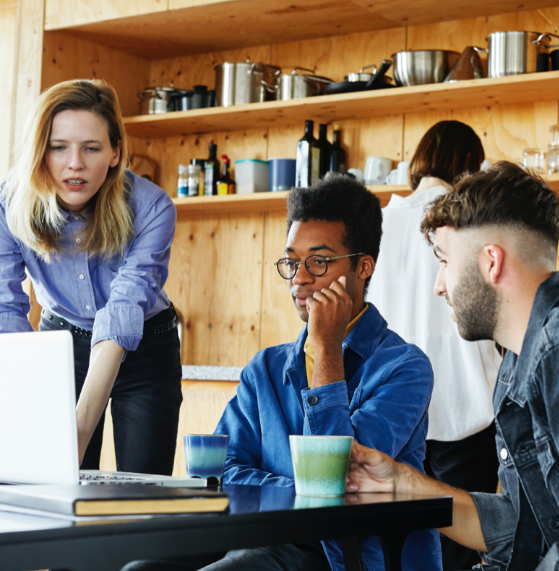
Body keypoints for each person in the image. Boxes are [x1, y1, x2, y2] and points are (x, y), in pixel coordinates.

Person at [122, 176, 441, 571]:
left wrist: (326, 347)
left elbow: (338, 481)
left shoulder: (405, 368)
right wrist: (297, 489)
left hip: (343, 553)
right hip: (252, 537)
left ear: (363, 267)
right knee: (138, 568)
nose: (299, 278)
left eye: (318, 261)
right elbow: (223, 471)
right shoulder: (265, 369)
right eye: (291, 261)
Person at [347, 161, 559, 571]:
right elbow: (522, 527)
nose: (439, 284)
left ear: (490, 262)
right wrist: (399, 483)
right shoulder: (517, 360)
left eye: (444, 261)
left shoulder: (557, 351)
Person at [0, 79, 182, 475]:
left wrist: (75, 439)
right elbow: (7, 311)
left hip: (146, 348)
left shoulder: (151, 208)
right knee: (53, 488)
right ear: (39, 151)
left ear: (116, 152)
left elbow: (122, 313)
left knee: (141, 492)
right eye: (58, 147)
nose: (75, 164)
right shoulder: (8, 206)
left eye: (92, 148)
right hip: (61, 342)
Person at [367, 120, 501, 570]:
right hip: (468, 405)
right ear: (468, 164)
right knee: (462, 539)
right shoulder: (470, 220)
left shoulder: (380, 221)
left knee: (399, 538)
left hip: (398, 405)